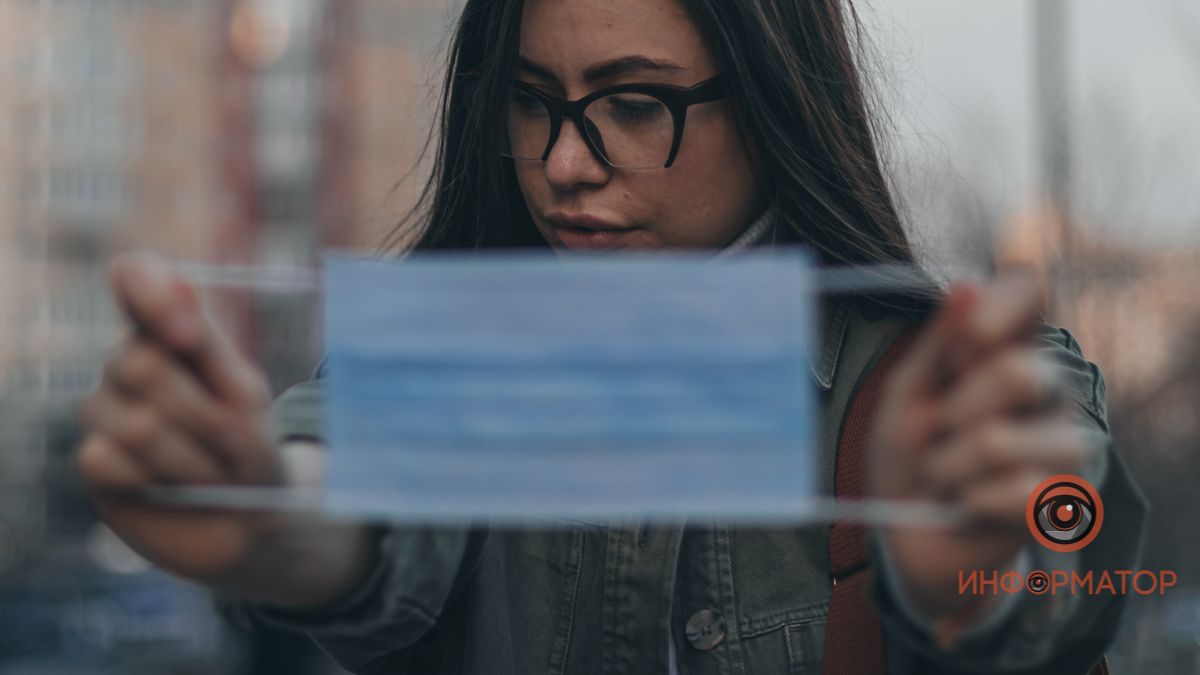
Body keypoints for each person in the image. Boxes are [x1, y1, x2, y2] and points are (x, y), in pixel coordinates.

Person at [75, 0, 1147, 673]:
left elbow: (1059, 547)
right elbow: (341, 498)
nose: (563, 165)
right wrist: (258, 507)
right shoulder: (450, 358)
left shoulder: (954, 380)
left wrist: (976, 562)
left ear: (775, 105)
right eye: (533, 102)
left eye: (632, 103)